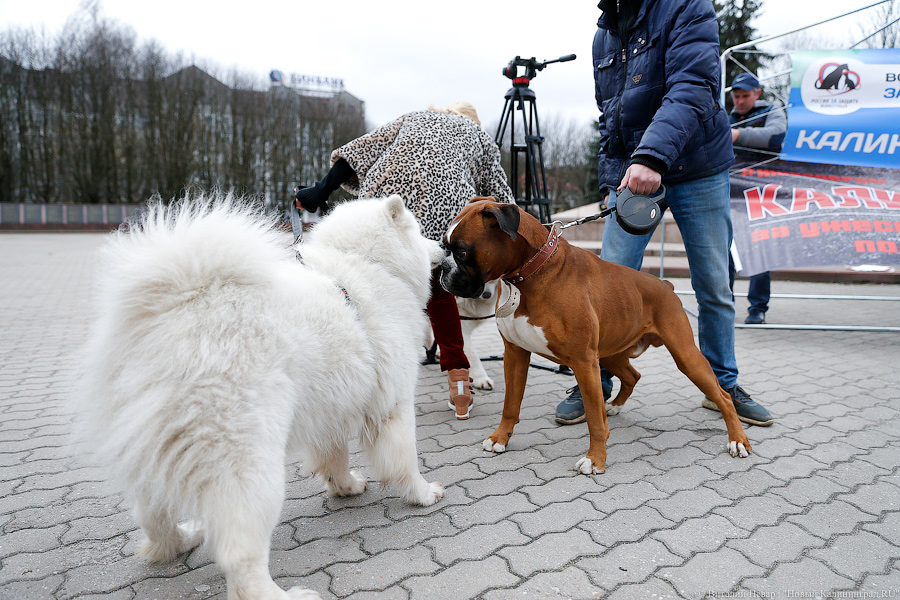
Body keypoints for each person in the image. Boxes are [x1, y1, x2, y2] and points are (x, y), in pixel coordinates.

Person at [554, 0, 774, 427]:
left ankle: (721, 383)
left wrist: (653, 158)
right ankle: (594, 379)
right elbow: (611, 117)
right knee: (605, 283)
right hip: (635, 171)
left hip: (698, 167)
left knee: (713, 282)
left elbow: (693, 86)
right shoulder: (605, 33)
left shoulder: (687, 6)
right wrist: (609, 183)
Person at [294, 103, 514, 420]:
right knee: (439, 291)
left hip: (386, 206)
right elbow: (503, 199)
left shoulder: (412, 118)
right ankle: (459, 384)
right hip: (444, 207)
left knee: (369, 285)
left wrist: (321, 190)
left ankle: (349, 372)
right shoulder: (478, 135)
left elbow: (357, 152)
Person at [728, 72, 787, 325]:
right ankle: (724, 305)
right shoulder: (725, 117)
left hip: (762, 193)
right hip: (729, 192)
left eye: (745, 96)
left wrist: (737, 135)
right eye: (736, 96)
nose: (740, 101)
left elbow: (776, 136)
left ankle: (757, 308)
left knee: (760, 250)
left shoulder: (773, 110)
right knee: (725, 251)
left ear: (757, 94)